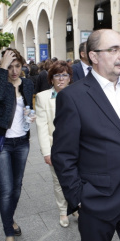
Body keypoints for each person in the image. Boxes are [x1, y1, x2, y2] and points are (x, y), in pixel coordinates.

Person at [51, 29, 120, 241]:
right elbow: (63, 155)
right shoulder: (72, 96)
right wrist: (79, 198)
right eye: (114, 49)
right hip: (97, 199)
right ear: (94, 56)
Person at [0, 48, 34, 241]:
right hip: (1, 143)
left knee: (17, 187)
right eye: (10, 66)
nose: (14, 71)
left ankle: (10, 219)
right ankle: (9, 233)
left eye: (17, 66)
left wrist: (30, 117)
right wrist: (2, 69)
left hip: (22, 142)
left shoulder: (28, 83)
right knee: (6, 190)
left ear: (22, 65)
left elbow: (28, 107)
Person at [36, 60, 78, 228]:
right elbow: (41, 126)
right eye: (57, 75)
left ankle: (75, 206)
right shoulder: (43, 97)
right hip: (56, 148)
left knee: (78, 178)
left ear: (69, 78)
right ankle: (63, 211)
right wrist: (47, 152)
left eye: (64, 75)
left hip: (78, 147)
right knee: (59, 181)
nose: (61, 79)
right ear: (51, 78)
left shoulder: (77, 94)